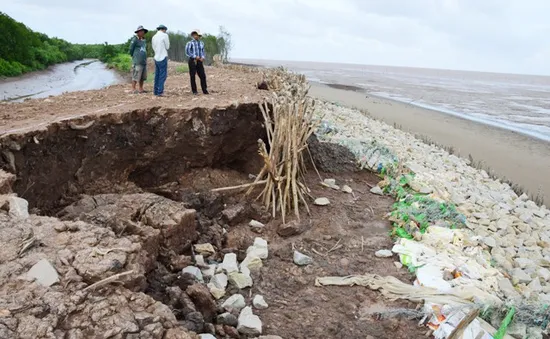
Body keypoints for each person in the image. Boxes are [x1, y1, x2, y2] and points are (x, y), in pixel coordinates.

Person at [185, 29, 208, 95]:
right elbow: (188, 52)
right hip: (192, 60)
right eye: (195, 34)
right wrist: (195, 56)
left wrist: (203, 57)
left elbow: (203, 51)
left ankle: (204, 90)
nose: (196, 36)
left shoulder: (201, 43)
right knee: (192, 76)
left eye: (197, 35)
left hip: (199, 61)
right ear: (193, 35)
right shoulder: (190, 43)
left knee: (202, 75)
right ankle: (194, 91)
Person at [129, 25, 148, 94]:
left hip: (143, 61)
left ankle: (141, 89)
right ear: (138, 32)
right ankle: (133, 89)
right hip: (137, 61)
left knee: (142, 76)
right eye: (141, 31)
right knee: (136, 75)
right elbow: (131, 49)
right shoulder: (135, 39)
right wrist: (134, 56)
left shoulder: (144, 40)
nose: (142, 32)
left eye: (143, 31)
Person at [152, 24, 170, 96]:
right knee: (163, 75)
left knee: (157, 75)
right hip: (162, 56)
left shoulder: (154, 37)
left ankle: (155, 91)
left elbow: (154, 47)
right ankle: (160, 91)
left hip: (156, 57)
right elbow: (167, 47)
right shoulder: (165, 35)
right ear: (164, 29)